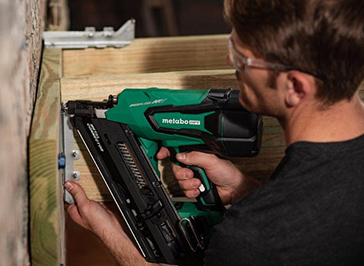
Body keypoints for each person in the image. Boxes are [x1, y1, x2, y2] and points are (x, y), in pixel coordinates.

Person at [65, 0, 364, 265]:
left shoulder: (251, 238)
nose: (229, 63)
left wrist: (112, 231)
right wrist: (242, 188)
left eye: (241, 58)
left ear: (296, 87)